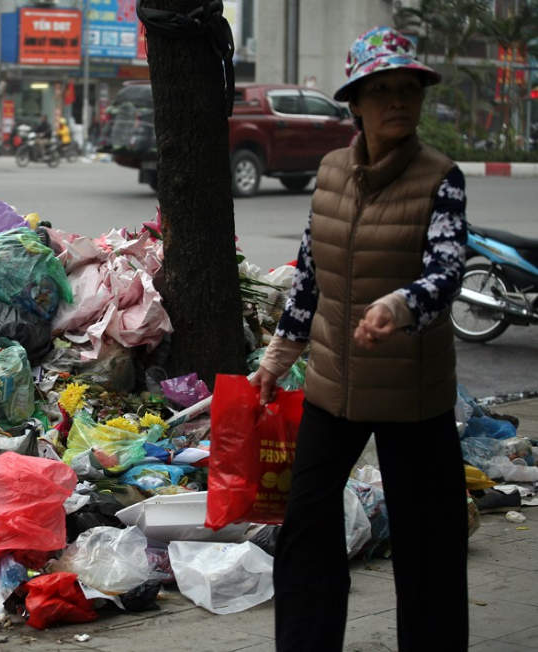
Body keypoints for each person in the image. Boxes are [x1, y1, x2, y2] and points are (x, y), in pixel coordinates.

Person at [249, 26, 469, 652]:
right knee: (306, 529)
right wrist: (276, 359)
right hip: (331, 388)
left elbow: (447, 270)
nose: (399, 100)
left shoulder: (441, 177)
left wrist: (400, 306)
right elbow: (310, 275)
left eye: (409, 90)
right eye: (384, 90)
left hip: (411, 395)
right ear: (357, 103)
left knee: (428, 548)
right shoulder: (330, 172)